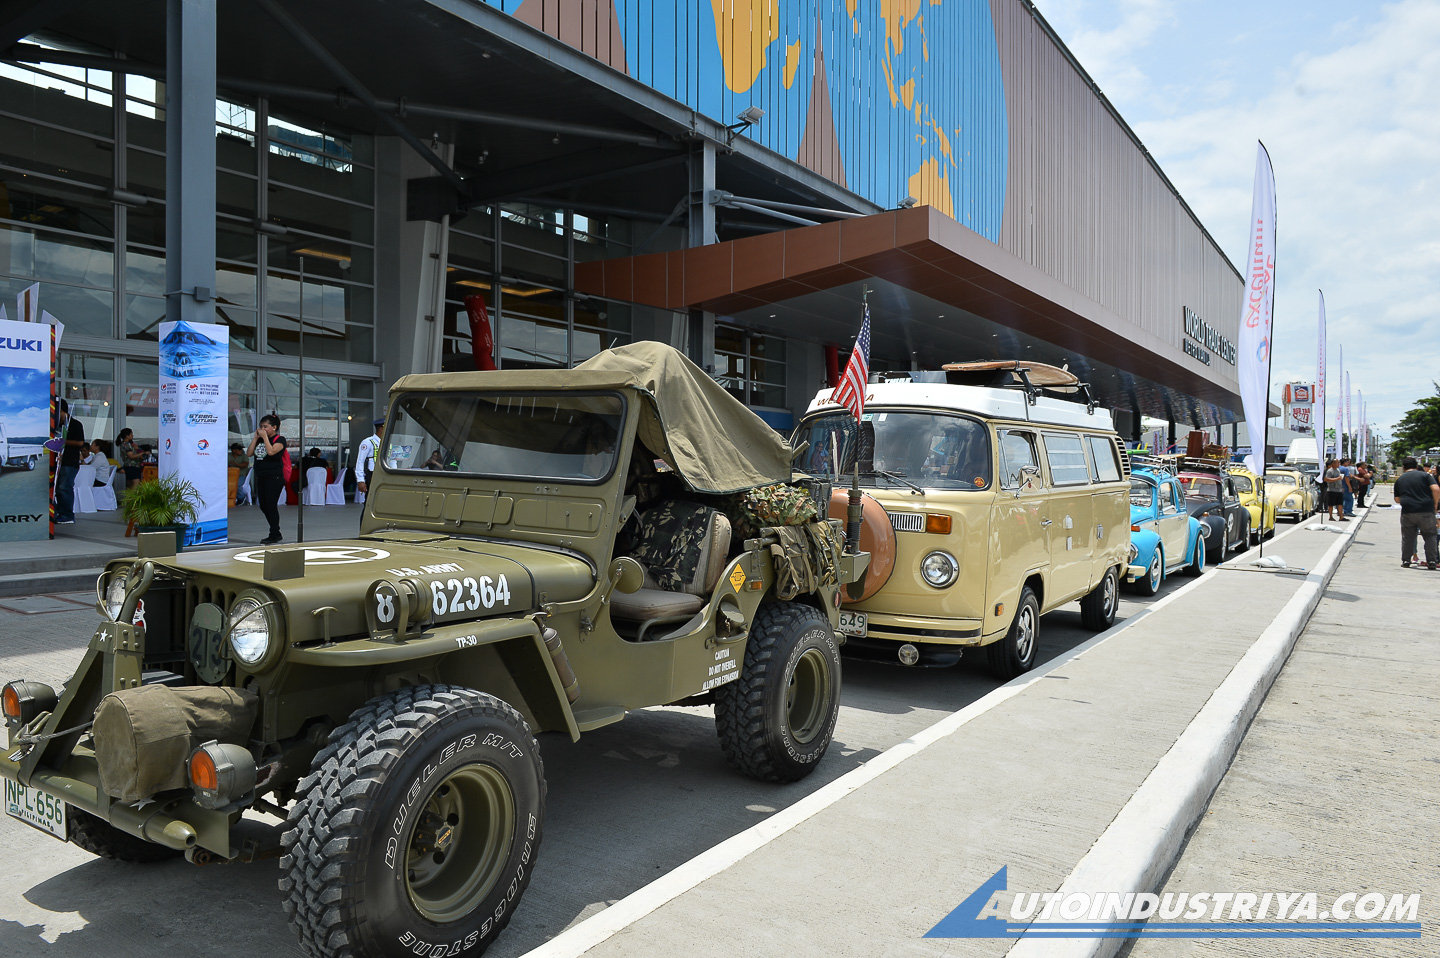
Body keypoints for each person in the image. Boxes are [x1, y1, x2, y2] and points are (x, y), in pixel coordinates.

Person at [247, 413, 288, 545]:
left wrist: (265, 438)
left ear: (274, 427)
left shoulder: (279, 439)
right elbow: (249, 453)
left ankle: (274, 533)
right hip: (262, 476)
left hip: (274, 477)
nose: (262, 429)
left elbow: (271, 452)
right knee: (264, 505)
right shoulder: (260, 440)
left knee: (271, 505)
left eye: (265, 426)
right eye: (261, 426)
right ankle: (275, 531)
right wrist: (255, 439)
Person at [1394, 457, 1440, 569]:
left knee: (1408, 536)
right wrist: (1435, 504)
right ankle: (1432, 561)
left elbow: (1397, 499)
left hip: (1408, 511)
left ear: (1404, 467)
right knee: (1430, 535)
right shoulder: (1426, 476)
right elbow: (1436, 489)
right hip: (1426, 510)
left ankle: (1406, 560)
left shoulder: (1400, 479)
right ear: (1416, 466)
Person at [356, 418, 384, 526]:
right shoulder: (368, 442)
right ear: (381, 428)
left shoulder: (387, 441)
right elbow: (360, 462)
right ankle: (364, 528)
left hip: (384, 476)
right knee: (369, 504)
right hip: (372, 476)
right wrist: (360, 480)